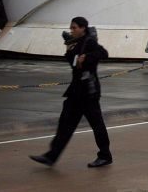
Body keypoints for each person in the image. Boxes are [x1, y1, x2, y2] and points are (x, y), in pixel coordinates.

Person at [30, 17, 113, 167]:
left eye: (74, 28)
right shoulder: (74, 43)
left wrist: (86, 57)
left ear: (83, 28)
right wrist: (70, 48)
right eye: (71, 28)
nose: (72, 30)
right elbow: (73, 64)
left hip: (89, 92)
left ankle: (105, 155)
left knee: (97, 124)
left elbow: (104, 53)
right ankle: (52, 156)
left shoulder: (90, 42)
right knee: (65, 124)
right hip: (76, 92)